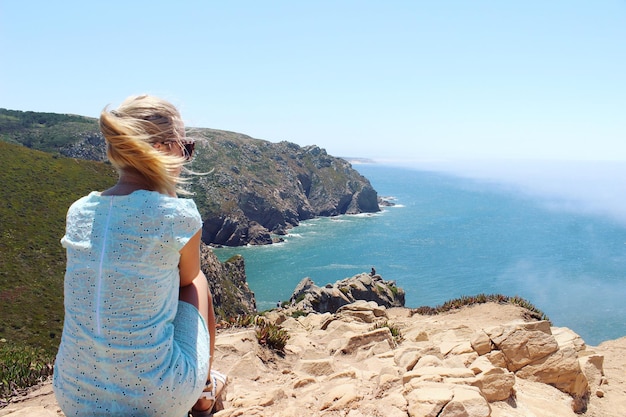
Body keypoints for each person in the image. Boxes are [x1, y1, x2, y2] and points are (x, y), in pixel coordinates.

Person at [53, 95, 226, 417]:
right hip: (160, 398)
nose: (186, 158)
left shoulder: (79, 211)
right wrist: (169, 198)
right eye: (185, 148)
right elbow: (186, 280)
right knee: (196, 282)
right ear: (163, 148)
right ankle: (203, 394)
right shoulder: (176, 214)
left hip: (75, 395)